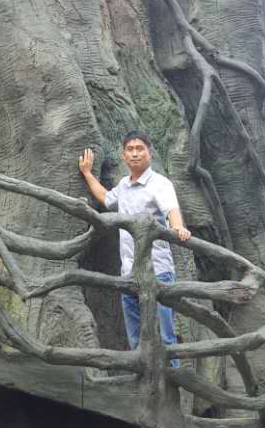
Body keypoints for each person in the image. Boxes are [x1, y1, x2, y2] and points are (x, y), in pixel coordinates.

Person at [78, 131, 191, 366]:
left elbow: (172, 210)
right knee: (136, 336)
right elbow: (107, 199)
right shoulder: (124, 185)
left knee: (165, 335)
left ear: (149, 153)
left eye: (140, 148)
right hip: (128, 273)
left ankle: (171, 384)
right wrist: (87, 173)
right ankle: (144, 382)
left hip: (158, 271)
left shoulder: (160, 184)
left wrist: (178, 228)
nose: (135, 153)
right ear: (124, 155)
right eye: (130, 149)